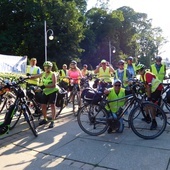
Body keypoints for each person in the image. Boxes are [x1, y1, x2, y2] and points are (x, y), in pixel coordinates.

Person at [29, 61, 58, 128]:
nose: (46, 69)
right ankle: (45, 119)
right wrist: (28, 77)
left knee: (52, 105)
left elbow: (54, 85)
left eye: (48, 67)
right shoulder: (43, 73)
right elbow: (35, 76)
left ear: (51, 68)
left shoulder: (53, 74)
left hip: (52, 91)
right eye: (45, 67)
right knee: (43, 105)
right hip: (45, 91)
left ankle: (53, 121)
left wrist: (44, 86)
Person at [136, 63, 163, 130]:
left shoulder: (147, 74)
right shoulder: (142, 76)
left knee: (151, 105)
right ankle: (147, 117)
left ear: (143, 69)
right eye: (138, 70)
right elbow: (144, 85)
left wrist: (149, 97)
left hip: (157, 89)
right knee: (144, 103)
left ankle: (154, 122)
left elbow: (148, 87)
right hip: (152, 90)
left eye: (141, 70)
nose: (140, 71)